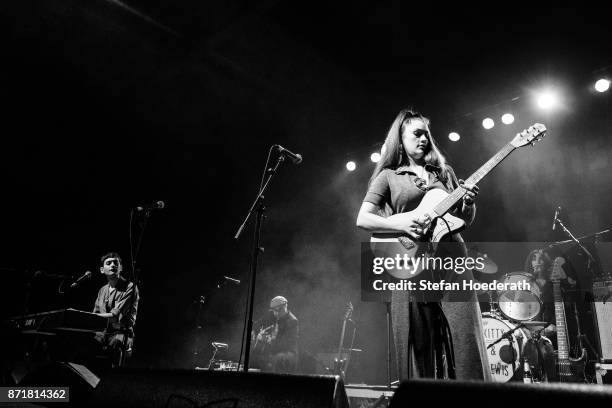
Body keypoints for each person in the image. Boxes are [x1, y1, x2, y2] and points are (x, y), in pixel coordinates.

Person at [356, 108, 492, 381]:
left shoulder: (445, 172)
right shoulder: (389, 176)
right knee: (417, 341)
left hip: (451, 258)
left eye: (426, 135)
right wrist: (403, 224)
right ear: (400, 138)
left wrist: (468, 203)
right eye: (417, 134)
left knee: (466, 335)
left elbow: (462, 220)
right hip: (410, 260)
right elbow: (363, 219)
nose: (424, 139)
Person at [92, 252, 139, 368]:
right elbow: (94, 316)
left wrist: (93, 317)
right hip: (103, 333)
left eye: (115, 263)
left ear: (121, 268)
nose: (113, 265)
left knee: (116, 343)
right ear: (102, 270)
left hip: (121, 333)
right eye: (109, 263)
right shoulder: (102, 290)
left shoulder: (130, 287)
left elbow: (115, 317)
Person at [252, 296, 299, 373]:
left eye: (279, 310)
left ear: (285, 306)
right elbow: (256, 324)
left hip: (287, 355)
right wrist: (254, 333)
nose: (276, 313)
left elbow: (286, 343)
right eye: (274, 310)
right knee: (254, 356)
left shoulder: (292, 321)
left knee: (275, 359)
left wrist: (267, 339)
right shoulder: (271, 314)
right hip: (273, 350)